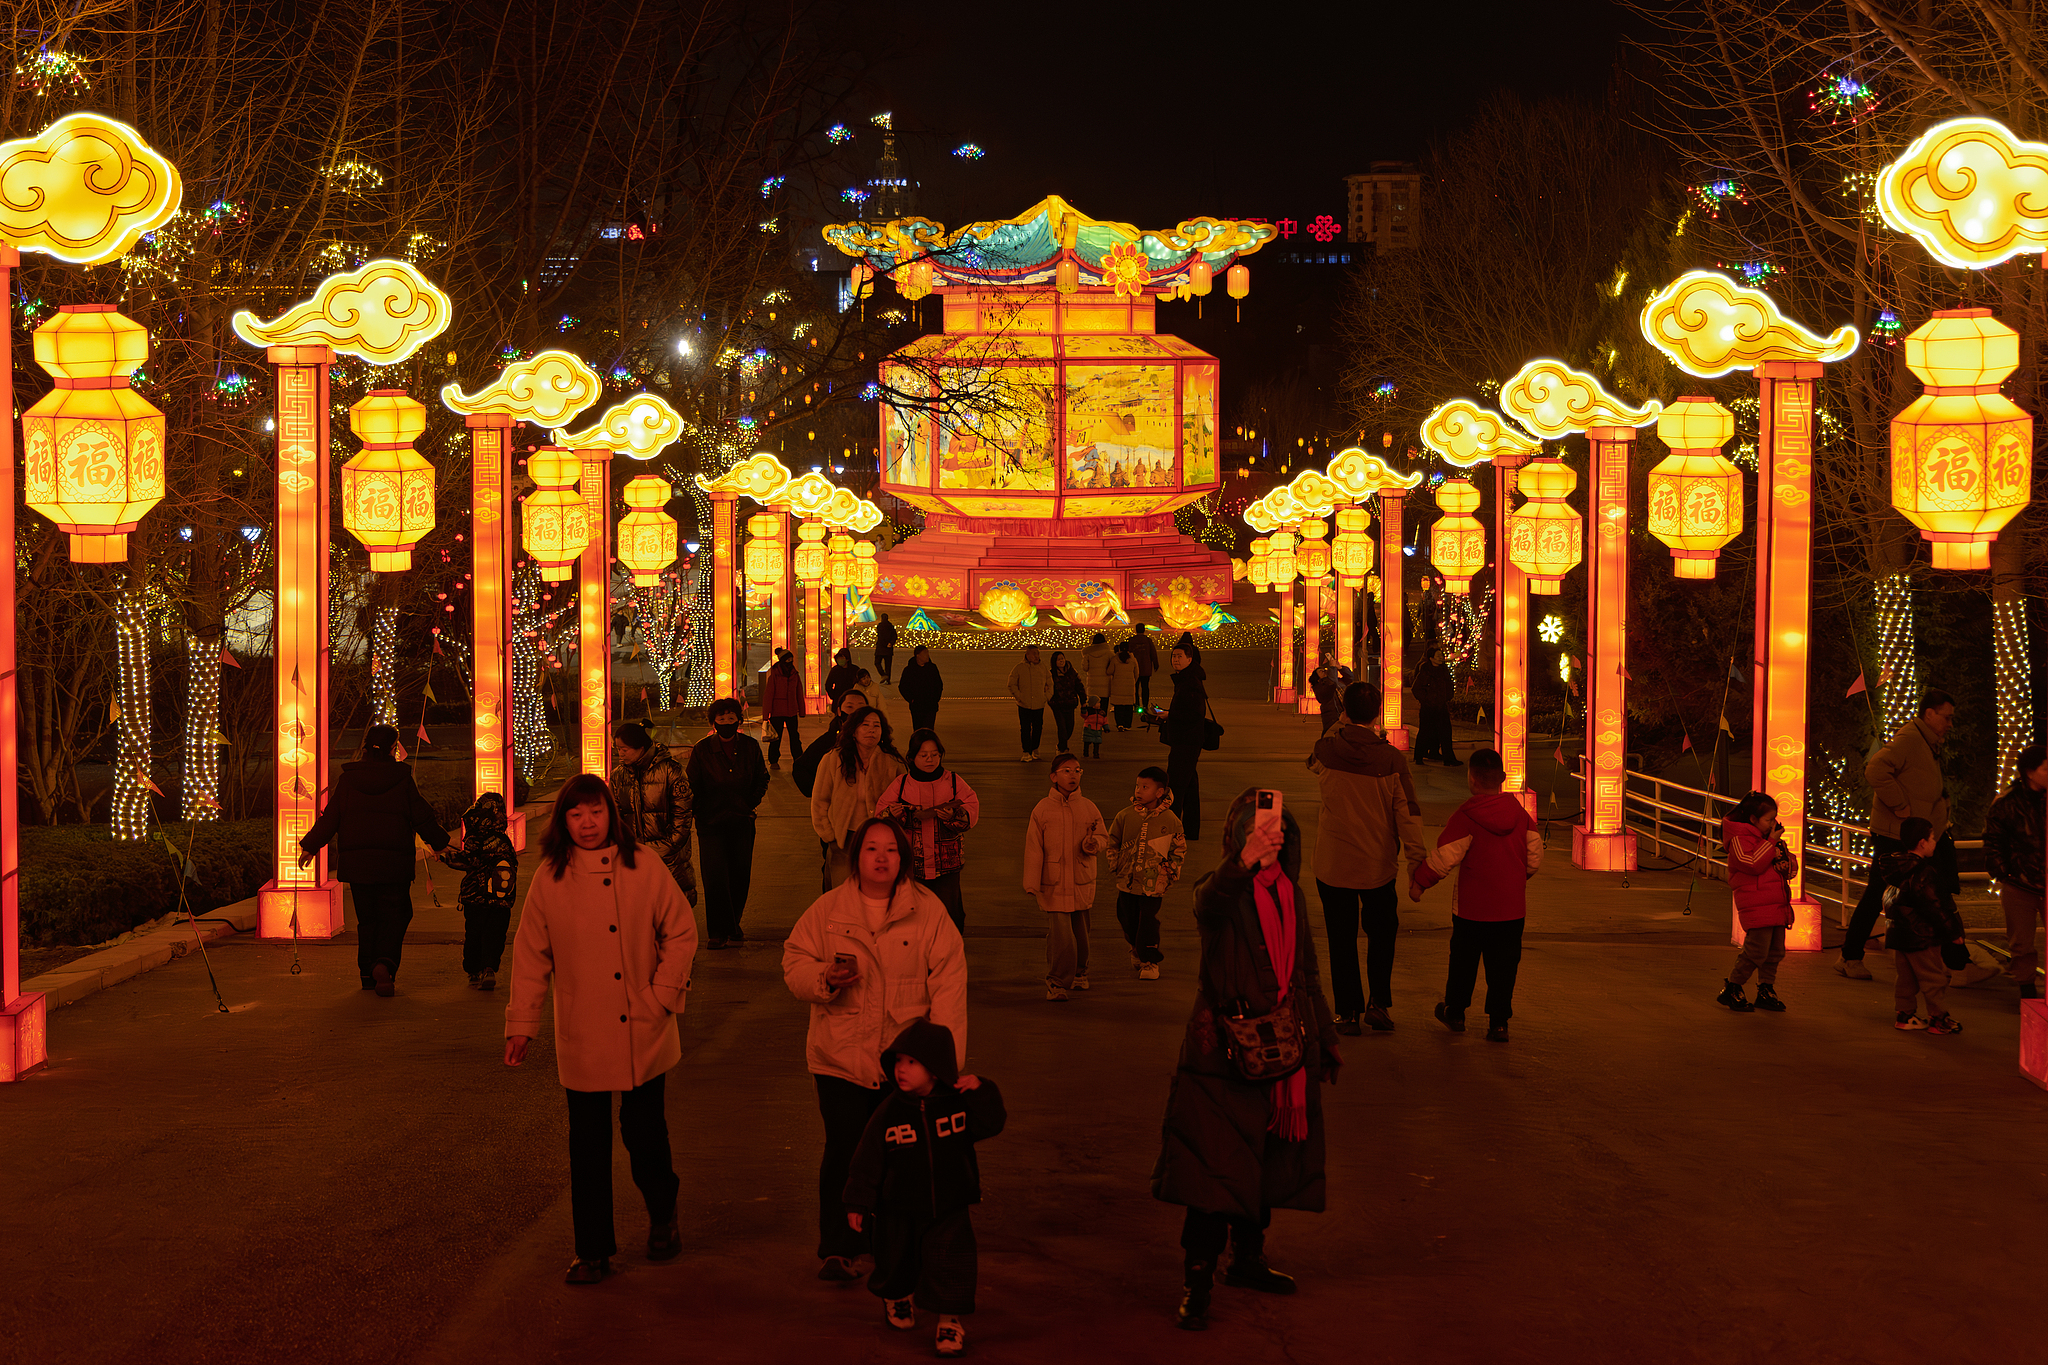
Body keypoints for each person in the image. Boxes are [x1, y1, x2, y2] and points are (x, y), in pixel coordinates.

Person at [1154, 788, 1341, 1332]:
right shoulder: (1224, 893)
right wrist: (1243, 863)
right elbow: (1204, 901)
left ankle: (1249, 1258)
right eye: (1260, 829)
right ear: (1238, 837)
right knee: (1215, 1171)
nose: (1271, 838)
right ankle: (1197, 1278)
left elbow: (1305, 971)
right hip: (1221, 1056)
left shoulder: (1292, 894)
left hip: (1284, 1050)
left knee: (1264, 1162)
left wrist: (1325, 1036)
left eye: (1279, 830)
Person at [504, 774, 698, 1284]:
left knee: (644, 1133)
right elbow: (530, 956)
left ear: (611, 813)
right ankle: (592, 1248)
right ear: (562, 821)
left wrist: (662, 994)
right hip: (583, 1028)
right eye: (576, 814)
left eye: (596, 812)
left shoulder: (645, 866)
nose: (587, 824)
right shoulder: (550, 878)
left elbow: (680, 931)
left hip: (644, 1025)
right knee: (586, 1144)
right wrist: (522, 1023)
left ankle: (663, 1214)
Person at [782, 817, 969, 1283]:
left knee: (900, 1157)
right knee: (844, 1151)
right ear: (855, 856)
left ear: (903, 858)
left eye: (890, 849)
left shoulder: (928, 913)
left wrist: (943, 1066)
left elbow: (949, 988)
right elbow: (794, 962)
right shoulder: (827, 910)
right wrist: (824, 977)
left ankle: (895, 1245)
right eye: (871, 849)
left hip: (902, 1064)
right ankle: (840, 1247)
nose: (881, 857)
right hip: (839, 1056)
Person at [843, 1020, 1005, 1358]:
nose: (901, 1069)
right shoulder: (889, 1111)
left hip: (950, 1202)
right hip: (898, 1205)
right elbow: (867, 1158)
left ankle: (949, 1319)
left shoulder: (957, 1104)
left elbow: (993, 1122)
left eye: (911, 1062)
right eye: (898, 1061)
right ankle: (898, 1297)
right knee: (896, 1259)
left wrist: (981, 1090)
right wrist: (858, 1200)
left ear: (935, 1069)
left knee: (952, 1261)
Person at [1307, 681, 1426, 1034]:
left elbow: (1313, 763)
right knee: (1382, 935)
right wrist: (1417, 862)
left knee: (1341, 938)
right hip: (1377, 865)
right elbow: (1408, 812)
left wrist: (1334, 716)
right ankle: (1379, 1002)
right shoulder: (1391, 759)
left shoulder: (1326, 750)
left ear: (1346, 712)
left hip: (1333, 863)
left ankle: (1346, 1012)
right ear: (1377, 714)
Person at [298, 724, 450, 996]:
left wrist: (310, 846)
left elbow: (331, 817)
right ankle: (385, 963)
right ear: (393, 749)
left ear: (367, 747)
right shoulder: (402, 779)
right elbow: (421, 816)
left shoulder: (349, 780)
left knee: (367, 920)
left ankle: (367, 974)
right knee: (397, 915)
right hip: (394, 866)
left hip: (358, 867)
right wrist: (440, 844)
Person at [1839, 690, 1975, 979]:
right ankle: (1851, 955)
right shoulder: (1911, 740)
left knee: (1935, 892)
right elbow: (1875, 770)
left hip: (1923, 835)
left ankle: (1956, 961)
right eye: (1947, 717)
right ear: (1929, 714)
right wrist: (1903, 807)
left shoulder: (1925, 742)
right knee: (1882, 893)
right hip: (1901, 835)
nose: (1950, 724)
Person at [1409, 749, 1541, 1039]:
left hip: (1472, 910)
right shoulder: (1521, 817)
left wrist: (1420, 883)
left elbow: (1445, 857)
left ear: (1471, 779)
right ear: (1503, 779)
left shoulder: (1466, 816)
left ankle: (1455, 1012)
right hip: (1511, 910)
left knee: (1463, 963)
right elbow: (1534, 857)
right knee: (1504, 967)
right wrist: (1518, 879)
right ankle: (1499, 1022)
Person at [688, 696, 769, 949]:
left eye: (730, 718)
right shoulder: (702, 749)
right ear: (714, 723)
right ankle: (717, 931)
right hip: (711, 823)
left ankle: (734, 924)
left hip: (741, 821)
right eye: (721, 719)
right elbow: (691, 785)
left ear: (738, 720)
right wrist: (700, 810)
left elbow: (762, 778)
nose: (726, 723)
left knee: (739, 875)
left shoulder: (750, 746)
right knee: (714, 877)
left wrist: (749, 804)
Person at [878, 730, 980, 932]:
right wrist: (894, 814)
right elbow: (880, 814)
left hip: (947, 865)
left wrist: (954, 815)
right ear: (912, 757)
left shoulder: (953, 781)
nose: (930, 759)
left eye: (935, 754)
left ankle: (948, 952)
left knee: (950, 914)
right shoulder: (901, 785)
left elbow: (972, 806)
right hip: (911, 866)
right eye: (923, 755)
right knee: (913, 915)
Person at [1023, 753, 1106, 1000]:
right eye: (1066, 770)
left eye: (1077, 770)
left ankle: (1080, 972)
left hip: (1081, 879)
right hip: (1054, 881)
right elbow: (1033, 847)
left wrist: (1095, 845)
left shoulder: (1089, 807)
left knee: (1081, 931)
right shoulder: (1042, 809)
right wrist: (1031, 882)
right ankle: (1057, 981)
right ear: (1054, 776)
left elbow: (1103, 836)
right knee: (1061, 936)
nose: (1073, 775)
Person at [1877, 817, 1968, 1035]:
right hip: (1922, 934)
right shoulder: (1924, 873)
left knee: (1906, 978)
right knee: (1934, 978)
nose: (1935, 842)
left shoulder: (1897, 869)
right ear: (1922, 843)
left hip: (1900, 932)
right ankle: (1938, 1018)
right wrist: (1954, 932)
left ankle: (1905, 1014)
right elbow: (1936, 906)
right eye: (1933, 837)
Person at [1712, 791, 1799, 1014]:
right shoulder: (1739, 840)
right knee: (1756, 951)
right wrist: (1771, 842)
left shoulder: (1770, 839)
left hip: (1777, 903)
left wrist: (1786, 863)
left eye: (1774, 819)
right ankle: (1733, 986)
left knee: (1775, 951)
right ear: (1753, 819)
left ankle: (1766, 989)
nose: (1773, 824)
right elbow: (1751, 863)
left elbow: (1788, 865)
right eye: (1768, 819)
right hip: (1756, 904)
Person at [1104, 766, 1186, 980]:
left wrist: (1169, 873)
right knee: (1127, 919)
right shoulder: (1125, 816)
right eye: (1137, 786)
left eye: (1145, 787)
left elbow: (1178, 849)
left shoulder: (1170, 820)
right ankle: (1135, 947)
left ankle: (1150, 961)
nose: (1139, 791)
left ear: (1159, 793)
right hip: (1127, 881)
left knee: (1148, 920)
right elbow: (1113, 841)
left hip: (1153, 883)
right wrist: (1115, 863)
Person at [812, 706, 906, 889]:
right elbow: (820, 800)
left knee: (876, 893)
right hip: (843, 839)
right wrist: (828, 834)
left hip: (880, 840)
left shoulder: (891, 763)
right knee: (844, 895)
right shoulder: (833, 759)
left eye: (876, 726)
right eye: (865, 725)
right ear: (853, 730)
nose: (871, 730)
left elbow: (903, 800)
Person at [611, 721, 700, 910]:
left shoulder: (671, 771)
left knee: (670, 912)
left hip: (669, 859)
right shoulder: (618, 776)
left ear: (641, 748)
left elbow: (682, 817)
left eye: (625, 749)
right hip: (632, 858)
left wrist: (662, 848)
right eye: (618, 749)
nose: (621, 753)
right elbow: (615, 816)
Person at [436, 791, 520, 991]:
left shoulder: (476, 838)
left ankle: (473, 970)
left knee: (474, 933)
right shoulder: (504, 841)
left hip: (475, 898)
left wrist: (446, 858)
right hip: (501, 899)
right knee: (496, 933)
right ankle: (489, 967)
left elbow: (467, 860)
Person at [1986, 745, 2047, 998]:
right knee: (2021, 942)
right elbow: (1992, 840)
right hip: (2020, 884)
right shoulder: (2007, 803)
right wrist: (2004, 872)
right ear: (2030, 772)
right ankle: (2027, 990)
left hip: (2039, 879)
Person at [1156, 635, 1210, 841]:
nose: (1175, 660)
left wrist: (1170, 715)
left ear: (1190, 659)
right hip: (1186, 739)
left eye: (1179, 656)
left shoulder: (1190, 682)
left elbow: (1195, 713)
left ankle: (1171, 830)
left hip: (1187, 740)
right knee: (1189, 785)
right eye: (1173, 656)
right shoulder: (1185, 679)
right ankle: (1190, 829)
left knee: (1176, 786)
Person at [795, 688, 870, 799]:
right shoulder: (829, 741)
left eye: (861, 707)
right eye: (849, 707)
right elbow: (800, 767)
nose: (855, 712)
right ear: (839, 711)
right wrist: (821, 793)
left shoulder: (877, 739)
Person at [1411, 648, 1459, 765]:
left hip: (1441, 706)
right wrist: (1427, 700)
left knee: (1445, 732)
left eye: (1441, 655)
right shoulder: (1425, 670)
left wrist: (1447, 697)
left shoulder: (1444, 670)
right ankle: (1419, 757)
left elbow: (1449, 686)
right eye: (1437, 656)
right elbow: (1416, 689)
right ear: (1431, 658)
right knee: (1425, 732)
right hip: (1428, 707)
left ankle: (1448, 759)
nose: (1440, 658)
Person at [1006, 643, 1052, 762]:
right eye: (1034, 654)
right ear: (1027, 655)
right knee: (1025, 728)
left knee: (1038, 728)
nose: (1037, 656)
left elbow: (1050, 683)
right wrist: (1019, 696)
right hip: (1024, 704)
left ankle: (1035, 748)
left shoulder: (1043, 668)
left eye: (1038, 653)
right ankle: (1026, 751)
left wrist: (1046, 697)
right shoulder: (1019, 668)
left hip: (1038, 703)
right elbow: (1011, 684)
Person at [763, 648, 805, 770]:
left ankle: (798, 757)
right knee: (776, 737)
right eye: (787, 659)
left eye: (791, 659)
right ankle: (773, 760)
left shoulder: (794, 674)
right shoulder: (774, 675)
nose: (790, 661)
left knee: (794, 736)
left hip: (791, 711)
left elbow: (799, 693)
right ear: (782, 660)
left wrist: (801, 710)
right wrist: (766, 714)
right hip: (777, 711)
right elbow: (768, 695)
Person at [1307, 655, 1356, 737]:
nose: (1324, 671)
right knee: (1331, 735)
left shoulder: (1338, 681)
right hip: (1332, 716)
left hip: (1345, 712)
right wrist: (1332, 668)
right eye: (1321, 671)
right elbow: (1331, 684)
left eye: (1324, 670)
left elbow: (1350, 677)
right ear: (1317, 678)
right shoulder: (1319, 686)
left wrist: (1340, 668)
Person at [899, 645, 944, 734]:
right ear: (918, 655)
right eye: (925, 653)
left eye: (927, 653)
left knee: (929, 730)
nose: (927, 655)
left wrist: (936, 699)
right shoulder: (909, 670)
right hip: (917, 706)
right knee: (918, 730)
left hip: (931, 705)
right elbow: (902, 687)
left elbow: (939, 684)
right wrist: (911, 699)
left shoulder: (932, 668)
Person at [1048, 650, 1085, 754]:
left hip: (1070, 704)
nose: (1061, 661)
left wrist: (1083, 700)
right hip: (1057, 705)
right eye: (1059, 659)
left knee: (1070, 727)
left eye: (1062, 658)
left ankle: (1061, 745)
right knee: (1062, 728)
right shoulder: (1051, 674)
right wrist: (1050, 700)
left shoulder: (1072, 672)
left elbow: (1079, 686)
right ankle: (1063, 749)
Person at [1128, 622, 1159, 716]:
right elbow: (1153, 653)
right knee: (1145, 687)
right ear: (1144, 630)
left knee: (1135, 688)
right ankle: (1145, 705)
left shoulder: (1132, 640)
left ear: (1136, 630)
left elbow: (1128, 653)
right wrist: (1155, 664)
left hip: (1134, 669)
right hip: (1146, 668)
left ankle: (1136, 705)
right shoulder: (1148, 640)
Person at [1108, 642, 1139, 729]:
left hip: (1117, 686)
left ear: (1119, 649)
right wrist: (1133, 682)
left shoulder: (1115, 659)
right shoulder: (1133, 660)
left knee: (1118, 706)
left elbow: (1109, 671)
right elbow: (1137, 674)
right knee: (1129, 706)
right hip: (1129, 686)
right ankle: (1127, 724)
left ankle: (1120, 724)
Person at [1082, 631, 1113, 706]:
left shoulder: (1088, 654)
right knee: (1103, 710)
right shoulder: (1109, 653)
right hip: (1105, 687)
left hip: (1092, 687)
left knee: (1092, 711)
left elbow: (1085, 668)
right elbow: (1112, 669)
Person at [874, 613, 898, 685]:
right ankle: (888, 679)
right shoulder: (891, 626)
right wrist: (891, 643)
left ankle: (883, 675)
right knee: (888, 665)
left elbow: (880, 636)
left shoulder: (880, 626)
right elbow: (894, 636)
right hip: (888, 649)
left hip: (881, 648)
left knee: (877, 662)